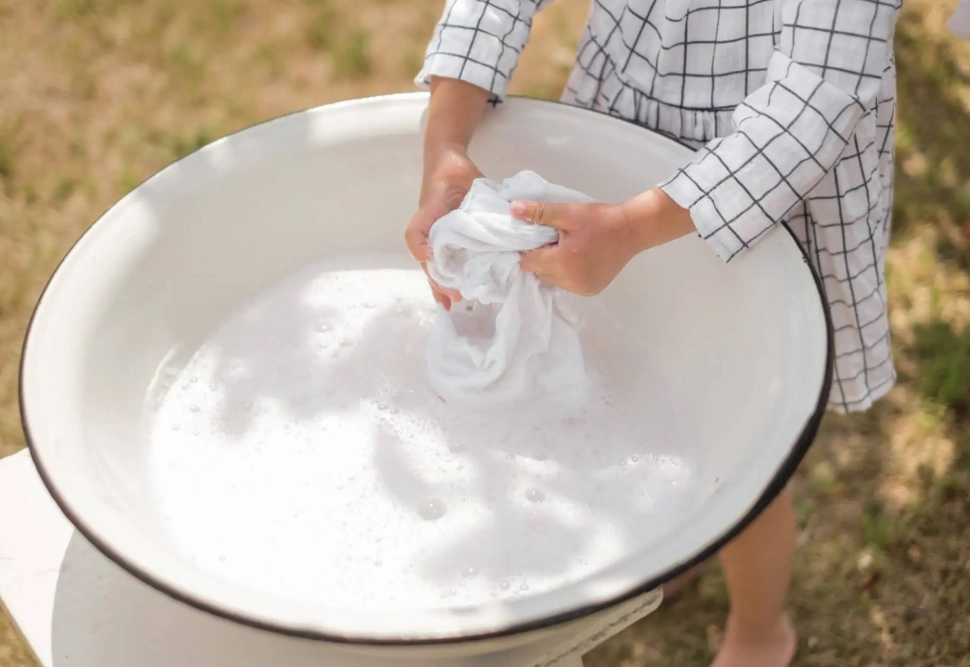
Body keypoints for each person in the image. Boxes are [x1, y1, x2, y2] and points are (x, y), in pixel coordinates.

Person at [405, 1, 902, 666]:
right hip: (626, 117)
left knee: (741, 442)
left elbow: (815, 94)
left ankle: (759, 631)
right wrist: (447, 140)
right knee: (634, 355)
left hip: (762, 182)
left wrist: (635, 226)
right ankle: (680, 531)